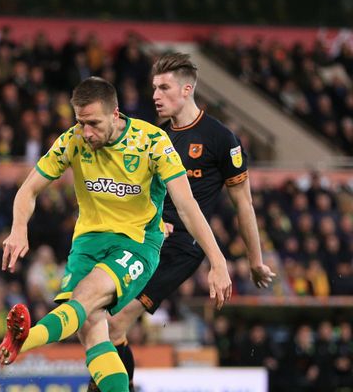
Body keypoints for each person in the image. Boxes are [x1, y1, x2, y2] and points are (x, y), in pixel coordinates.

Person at [0, 76, 232, 392]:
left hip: (136, 244)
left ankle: (26, 339)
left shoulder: (153, 142)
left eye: (93, 123)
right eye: (81, 122)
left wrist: (217, 261)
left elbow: (188, 206)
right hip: (87, 244)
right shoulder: (72, 140)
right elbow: (27, 190)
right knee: (94, 331)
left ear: (115, 113)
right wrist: (18, 229)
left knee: (85, 298)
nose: (86, 132)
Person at [84, 53, 276, 391]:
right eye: (154, 87)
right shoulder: (155, 139)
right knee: (103, 324)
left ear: (187, 89)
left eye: (164, 87)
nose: (155, 95)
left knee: (113, 321)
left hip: (183, 247)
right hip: (148, 242)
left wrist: (255, 261)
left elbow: (243, 203)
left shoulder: (221, 139)